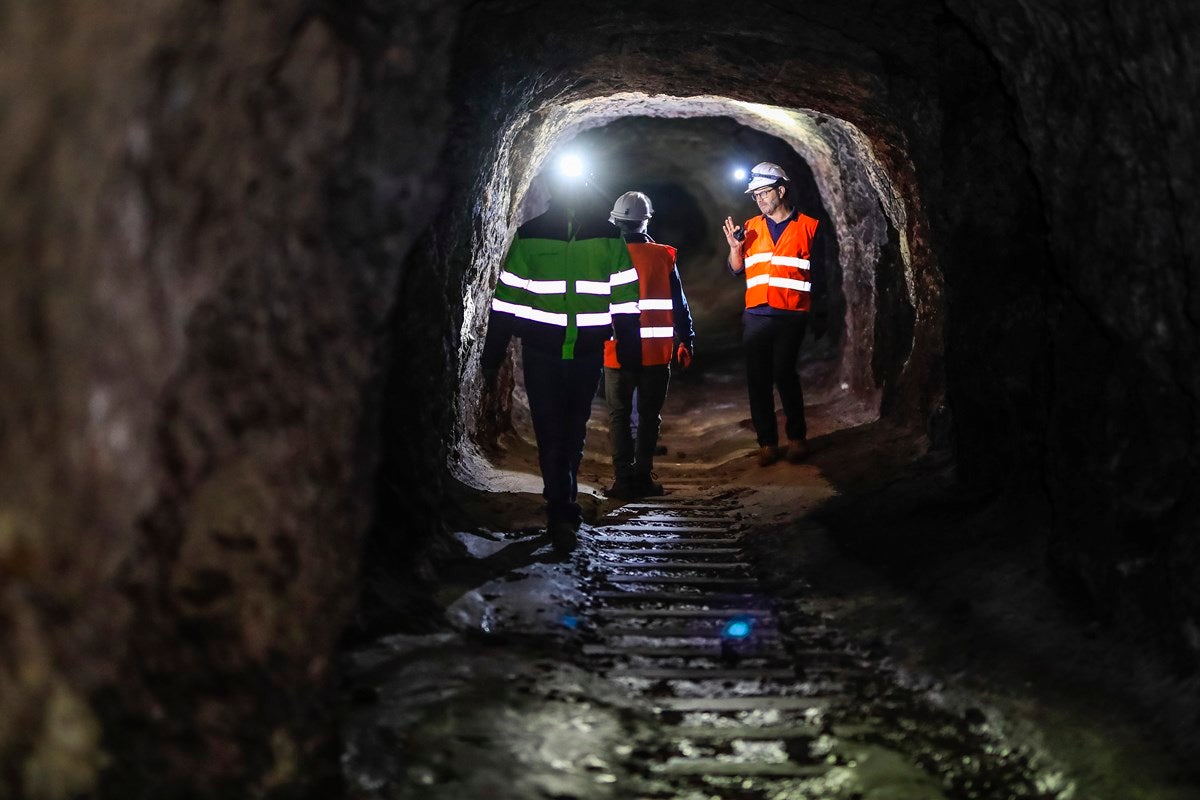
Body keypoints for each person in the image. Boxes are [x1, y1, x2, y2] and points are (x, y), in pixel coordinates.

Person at [481, 172, 642, 556]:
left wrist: (630, 354)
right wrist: (492, 353)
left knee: (569, 432)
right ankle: (561, 512)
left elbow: (624, 300)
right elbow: (505, 301)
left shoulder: (605, 236)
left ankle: (563, 504)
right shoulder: (533, 233)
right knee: (555, 434)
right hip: (544, 351)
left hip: (583, 352)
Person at [722, 162, 822, 467]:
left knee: (784, 374)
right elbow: (735, 269)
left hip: (791, 313)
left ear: (781, 190)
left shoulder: (808, 226)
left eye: (764, 192)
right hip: (757, 313)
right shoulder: (750, 228)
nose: (760, 199)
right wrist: (734, 248)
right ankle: (767, 443)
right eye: (755, 196)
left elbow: (822, 271)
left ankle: (796, 438)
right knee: (758, 379)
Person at [603, 191, 696, 500]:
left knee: (618, 415)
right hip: (656, 352)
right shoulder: (663, 255)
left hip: (616, 351)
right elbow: (679, 304)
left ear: (616, 221)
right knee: (648, 415)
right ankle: (642, 477)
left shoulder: (604, 255)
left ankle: (622, 480)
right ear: (645, 221)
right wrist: (687, 339)